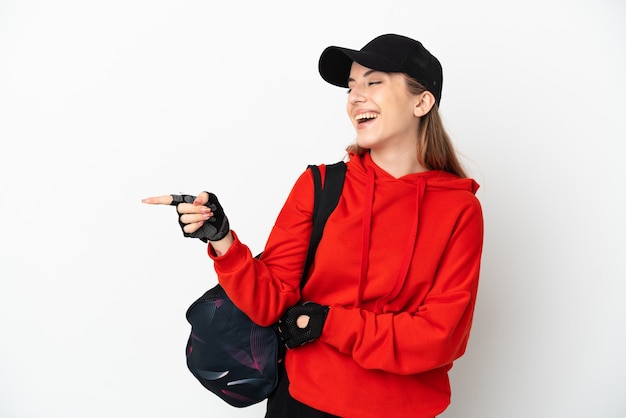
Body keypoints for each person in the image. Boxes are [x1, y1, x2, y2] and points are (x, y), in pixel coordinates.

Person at [143, 33, 484, 418]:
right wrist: (221, 240)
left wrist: (329, 323)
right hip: (304, 402)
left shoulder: (459, 208)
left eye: (373, 82)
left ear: (422, 101)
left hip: (404, 410)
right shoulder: (321, 186)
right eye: (351, 87)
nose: (355, 98)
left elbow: (440, 338)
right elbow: (271, 303)